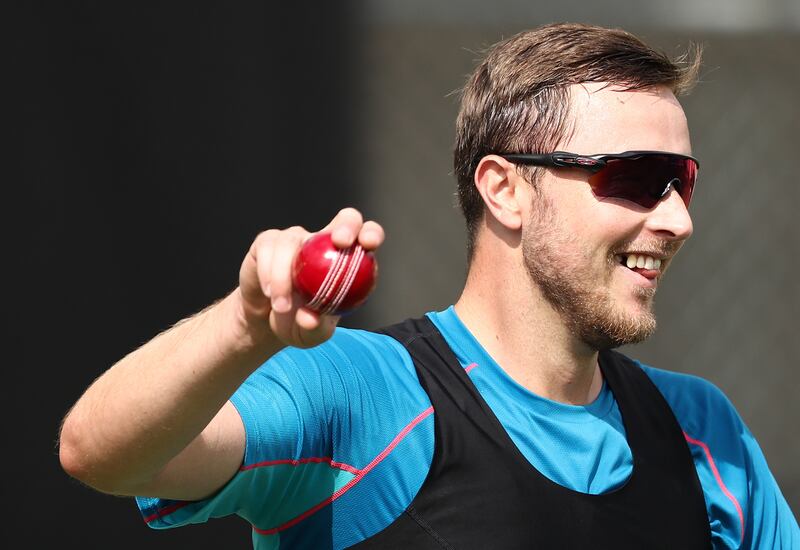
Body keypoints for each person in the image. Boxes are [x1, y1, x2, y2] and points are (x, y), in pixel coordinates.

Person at [59, 22, 799, 549]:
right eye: (636, 177)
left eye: (684, 183)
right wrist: (246, 325)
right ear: (504, 190)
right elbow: (100, 454)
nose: (676, 219)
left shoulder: (704, 434)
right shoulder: (364, 395)